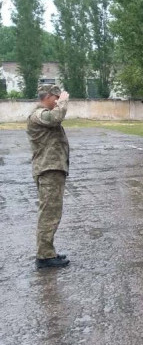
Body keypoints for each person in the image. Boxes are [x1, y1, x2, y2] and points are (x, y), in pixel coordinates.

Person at [27, 84, 71, 269]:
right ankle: (44, 257)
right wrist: (64, 102)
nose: (58, 101)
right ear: (49, 97)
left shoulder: (43, 114)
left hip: (52, 170)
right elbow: (55, 118)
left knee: (52, 213)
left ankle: (47, 251)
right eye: (56, 98)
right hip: (48, 170)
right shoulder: (39, 114)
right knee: (49, 214)